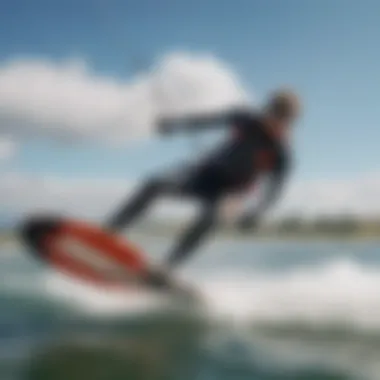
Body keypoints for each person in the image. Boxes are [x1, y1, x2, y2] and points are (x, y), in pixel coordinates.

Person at [105, 89, 301, 288]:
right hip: (204, 176)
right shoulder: (244, 119)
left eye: (283, 119)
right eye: (273, 113)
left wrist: (257, 213)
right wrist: (174, 125)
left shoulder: (281, 153)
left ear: (289, 122)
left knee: (212, 215)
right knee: (153, 185)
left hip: (232, 193)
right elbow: (205, 121)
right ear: (267, 109)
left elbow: (274, 190)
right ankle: (108, 235)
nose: (275, 120)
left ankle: (166, 268)